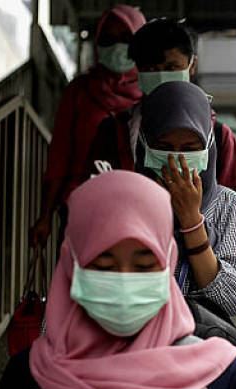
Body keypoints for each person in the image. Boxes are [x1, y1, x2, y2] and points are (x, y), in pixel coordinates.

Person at [0, 170, 236, 389]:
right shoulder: (29, 373)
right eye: (104, 266)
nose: (124, 279)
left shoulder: (223, 376)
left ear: (168, 263)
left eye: (144, 265)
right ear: (72, 266)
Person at [91, 18, 236, 254]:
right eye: (149, 68)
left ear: (192, 66)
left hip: (200, 263)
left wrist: (221, 264)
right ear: (136, 69)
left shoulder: (218, 136)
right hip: (134, 260)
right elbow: (94, 195)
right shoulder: (114, 131)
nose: (160, 75)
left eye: (170, 67)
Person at [91, 81, 236, 319]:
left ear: (207, 146)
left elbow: (230, 300)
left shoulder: (227, 204)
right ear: (144, 144)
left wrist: (192, 221)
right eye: (164, 147)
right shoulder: (118, 201)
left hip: (198, 347)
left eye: (189, 148)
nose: (176, 159)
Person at [29, 5, 146, 247]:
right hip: (81, 208)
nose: (117, 46)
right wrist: (46, 216)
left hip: (139, 211)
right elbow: (60, 156)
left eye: (126, 38)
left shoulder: (151, 93)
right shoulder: (79, 92)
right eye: (108, 39)